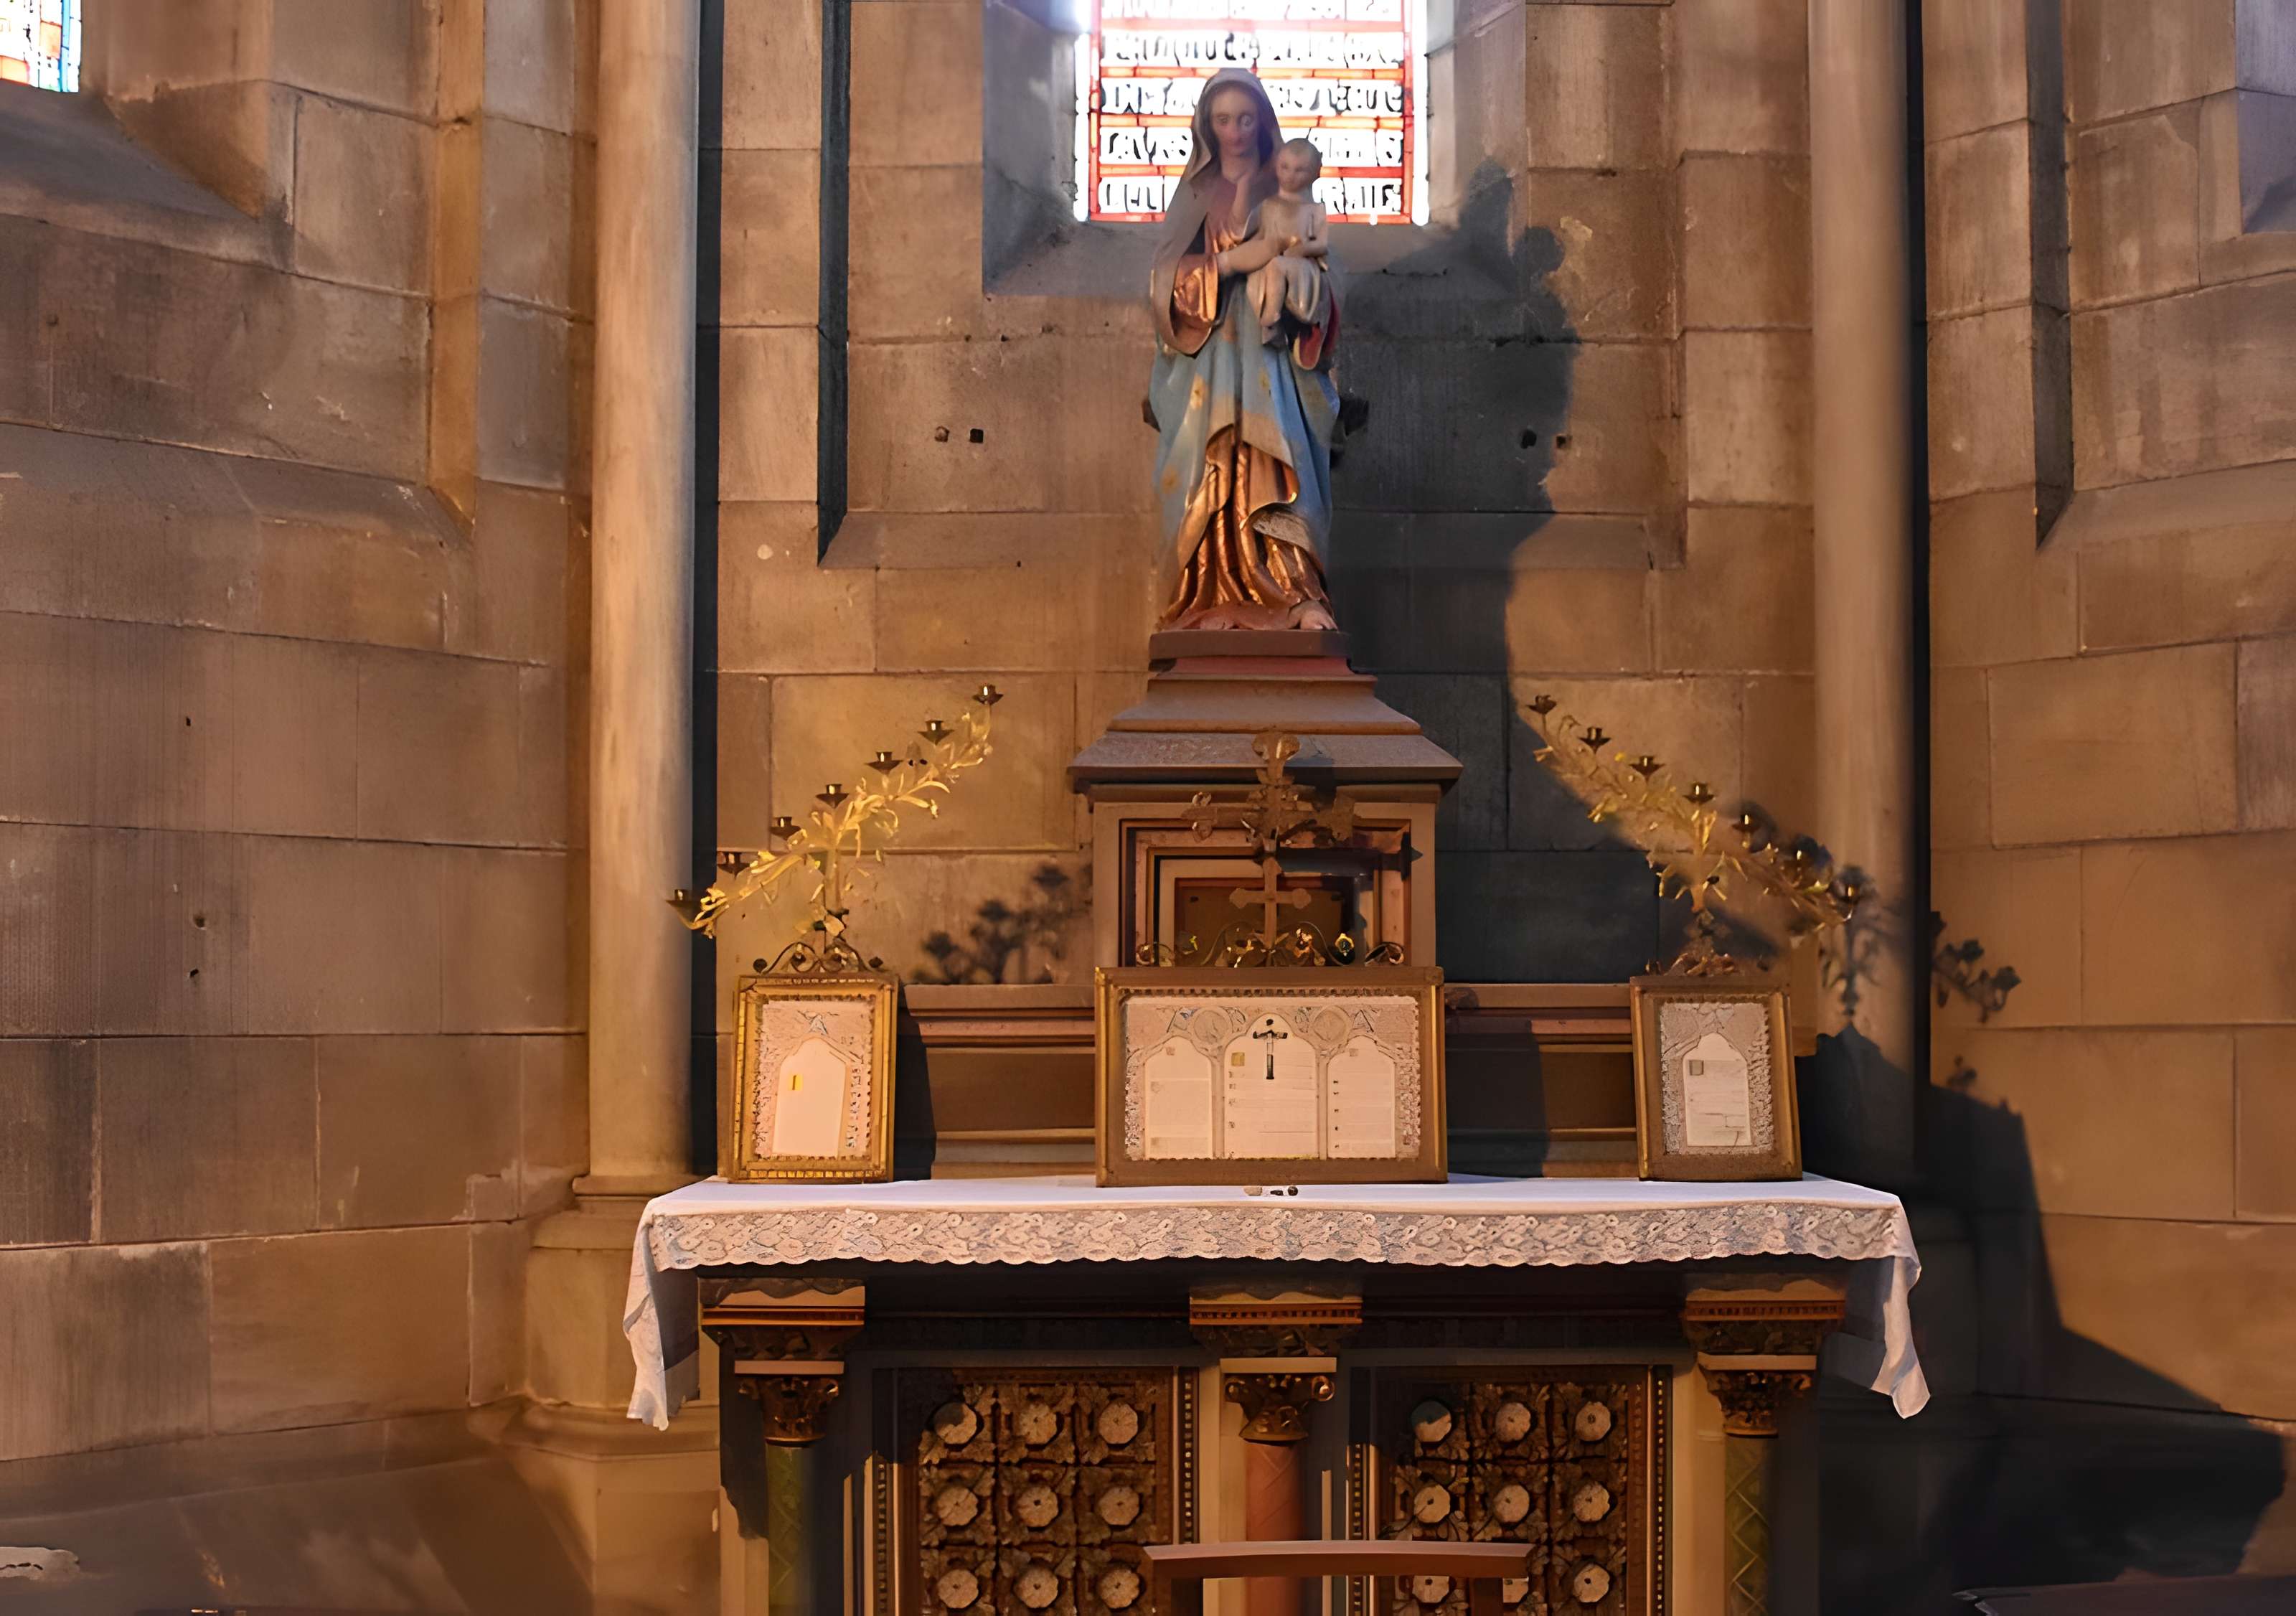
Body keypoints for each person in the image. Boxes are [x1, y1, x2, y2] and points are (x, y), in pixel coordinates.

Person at [1147, 69, 1341, 632]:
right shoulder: (1195, 194)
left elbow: (1326, 278)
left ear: (1263, 122)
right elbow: (1159, 287)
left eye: (1246, 118)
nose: (1235, 131)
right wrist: (1228, 264)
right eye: (1223, 119)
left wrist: (1293, 280)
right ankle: (1206, 593)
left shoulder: (1287, 192)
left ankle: (1295, 591)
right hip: (1206, 359)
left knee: (1277, 460)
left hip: (1270, 354)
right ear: (1208, 126)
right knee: (1211, 464)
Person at [1244, 137, 1331, 347]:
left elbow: (1321, 244)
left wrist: (1300, 250)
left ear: (1315, 172)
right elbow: (1258, 236)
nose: (1290, 175)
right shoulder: (1269, 205)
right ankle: (1267, 318)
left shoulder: (1314, 209)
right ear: (1276, 167)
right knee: (1260, 270)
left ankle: (1271, 320)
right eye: (1285, 167)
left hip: (1301, 267)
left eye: (1300, 170)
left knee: (1276, 266)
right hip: (1270, 263)